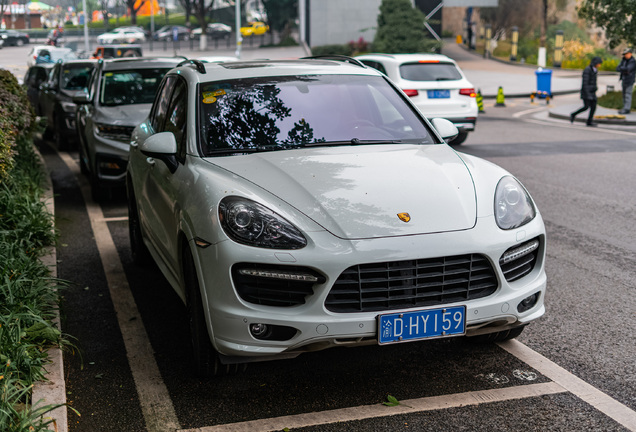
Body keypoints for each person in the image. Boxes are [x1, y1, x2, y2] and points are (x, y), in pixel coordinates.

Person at [570, 56, 603, 127]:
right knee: (586, 107)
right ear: (595, 63)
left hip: (592, 92)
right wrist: (588, 94)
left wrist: (595, 88)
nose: (599, 65)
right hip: (586, 92)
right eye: (599, 63)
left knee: (593, 106)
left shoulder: (594, 70)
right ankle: (573, 114)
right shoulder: (587, 70)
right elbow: (585, 83)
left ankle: (589, 121)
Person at [616, 47, 636, 114]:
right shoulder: (623, 60)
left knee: (628, 94)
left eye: (626, 54)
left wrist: (623, 69)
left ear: (630, 54)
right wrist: (623, 69)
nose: (625, 55)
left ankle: (627, 109)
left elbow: (628, 69)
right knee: (624, 95)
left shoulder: (633, 61)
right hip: (624, 79)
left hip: (630, 80)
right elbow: (618, 68)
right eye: (624, 54)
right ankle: (625, 107)